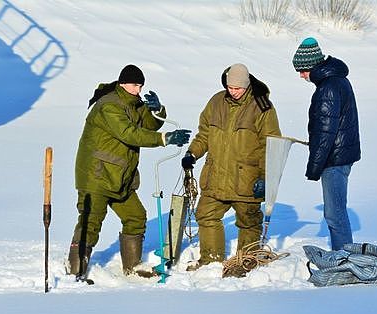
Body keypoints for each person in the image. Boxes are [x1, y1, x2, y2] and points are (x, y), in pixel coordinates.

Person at [67, 64, 191, 281]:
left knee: (135, 217)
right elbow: (130, 134)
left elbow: (150, 125)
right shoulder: (108, 106)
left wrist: (157, 109)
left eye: (141, 86)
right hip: (96, 176)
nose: (138, 90)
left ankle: (132, 267)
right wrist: (165, 139)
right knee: (90, 222)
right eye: (135, 85)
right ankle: (75, 273)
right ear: (123, 83)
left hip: (120, 178)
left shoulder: (134, 104)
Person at [181, 63, 281, 270]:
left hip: (246, 179)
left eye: (238, 88)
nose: (233, 92)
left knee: (248, 221)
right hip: (215, 176)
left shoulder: (262, 107)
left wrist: (265, 177)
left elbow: (271, 145)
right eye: (230, 87)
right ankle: (210, 259)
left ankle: (245, 262)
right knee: (206, 214)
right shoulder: (216, 101)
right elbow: (204, 134)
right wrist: (193, 153)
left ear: (247, 85)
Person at [292, 37, 361, 250]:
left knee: (334, 213)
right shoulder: (336, 81)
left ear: (313, 66)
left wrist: (314, 167)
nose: (301, 75)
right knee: (335, 211)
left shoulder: (328, 88)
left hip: (334, 158)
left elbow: (325, 132)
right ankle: (342, 254)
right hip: (340, 155)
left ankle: (344, 258)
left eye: (302, 70)